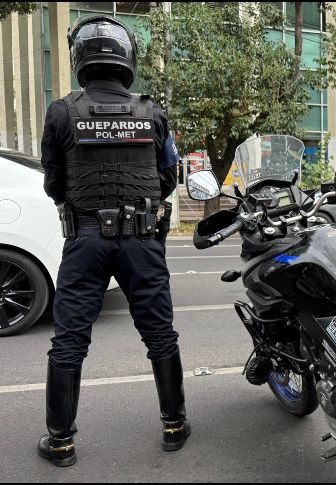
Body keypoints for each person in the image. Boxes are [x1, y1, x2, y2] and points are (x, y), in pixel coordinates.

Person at [38, 15, 187, 467]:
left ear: (80, 59)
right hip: (142, 241)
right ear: (127, 60)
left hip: (85, 240)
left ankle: (61, 442)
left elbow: (53, 181)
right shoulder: (152, 112)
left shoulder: (62, 111)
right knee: (160, 334)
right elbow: (168, 178)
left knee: (69, 339)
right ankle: (174, 425)